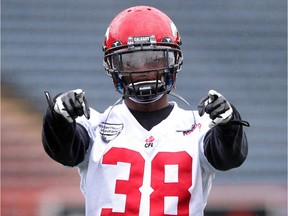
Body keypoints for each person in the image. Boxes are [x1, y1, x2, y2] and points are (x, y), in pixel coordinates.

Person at [42, 5, 249, 216]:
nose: (143, 70)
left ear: (173, 61)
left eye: (154, 59)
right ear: (113, 66)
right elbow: (62, 148)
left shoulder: (199, 126)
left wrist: (229, 124)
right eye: (131, 61)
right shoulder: (95, 126)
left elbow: (229, 157)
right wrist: (58, 115)